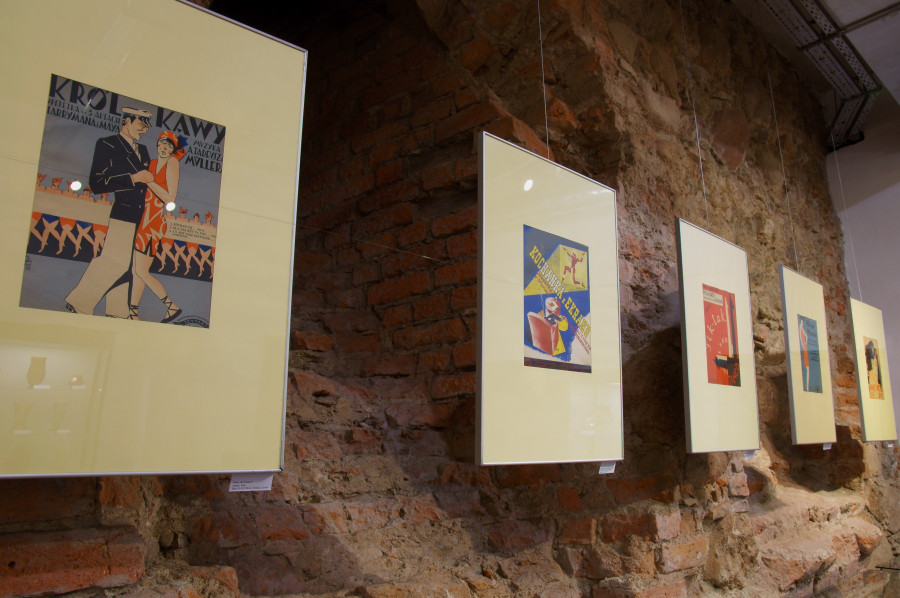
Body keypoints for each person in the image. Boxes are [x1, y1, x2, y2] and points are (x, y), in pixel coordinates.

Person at [65, 108, 153, 317]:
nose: (144, 129)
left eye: (147, 126)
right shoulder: (108, 143)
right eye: (141, 123)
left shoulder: (143, 150)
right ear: (126, 121)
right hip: (123, 211)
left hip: (141, 216)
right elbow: (97, 183)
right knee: (115, 261)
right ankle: (79, 301)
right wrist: (133, 178)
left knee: (126, 265)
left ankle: (117, 311)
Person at [129, 131, 185, 322]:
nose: (164, 148)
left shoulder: (172, 163)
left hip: (153, 222)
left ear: (173, 149)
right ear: (157, 144)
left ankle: (171, 306)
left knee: (140, 271)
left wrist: (149, 181)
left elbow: (170, 198)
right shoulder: (152, 163)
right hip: (143, 219)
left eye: (169, 145)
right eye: (162, 143)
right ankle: (133, 313)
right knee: (137, 270)